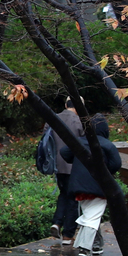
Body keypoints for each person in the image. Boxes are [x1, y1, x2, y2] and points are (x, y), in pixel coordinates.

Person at [60, 114, 122, 256]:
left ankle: (97, 244)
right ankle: (85, 248)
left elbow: (64, 152)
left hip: (78, 185)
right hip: (98, 187)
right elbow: (116, 164)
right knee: (92, 217)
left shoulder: (80, 142)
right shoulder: (107, 145)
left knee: (91, 214)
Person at [51, 97, 85, 245]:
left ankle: (57, 222)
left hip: (57, 165)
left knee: (63, 193)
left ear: (65, 105)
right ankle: (68, 235)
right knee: (73, 199)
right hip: (74, 166)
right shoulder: (79, 122)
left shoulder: (53, 119)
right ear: (78, 107)